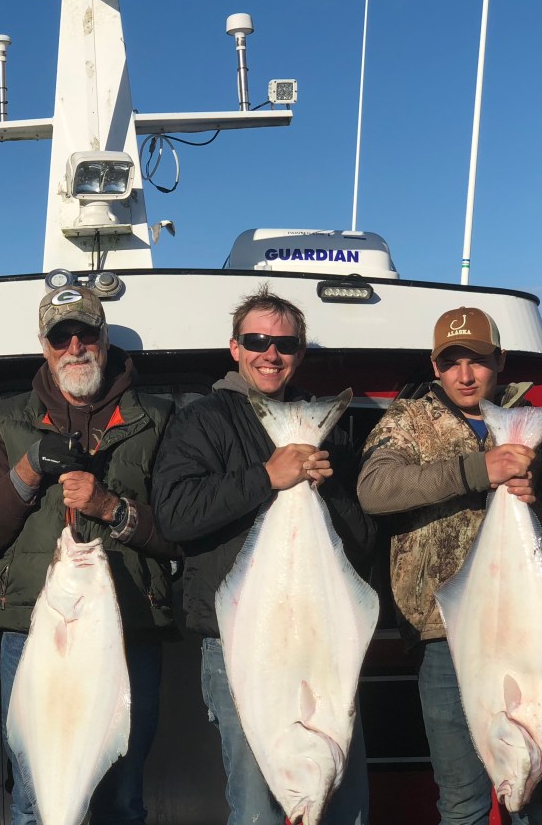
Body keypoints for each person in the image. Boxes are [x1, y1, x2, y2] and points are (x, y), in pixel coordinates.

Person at [151, 286, 374, 825]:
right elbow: (175, 514)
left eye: (285, 344)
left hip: (321, 647)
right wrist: (265, 478)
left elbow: (362, 541)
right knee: (257, 807)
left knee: (345, 805)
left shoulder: (317, 427)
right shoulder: (202, 421)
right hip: (243, 645)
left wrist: (325, 489)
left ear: (299, 353)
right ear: (234, 348)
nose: (270, 354)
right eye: (257, 341)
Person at [357, 306, 542, 825]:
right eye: (451, 361)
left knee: (539, 795)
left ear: (498, 362)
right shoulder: (407, 421)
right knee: (461, 800)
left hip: (535, 634)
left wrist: (535, 509)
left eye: (477, 361)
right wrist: (479, 470)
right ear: (435, 366)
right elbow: (375, 490)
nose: (465, 374)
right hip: (442, 637)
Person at [0, 284, 177, 825]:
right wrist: (28, 471)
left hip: (128, 630)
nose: (76, 346)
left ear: (105, 339)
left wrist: (111, 507)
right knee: (36, 798)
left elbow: (179, 530)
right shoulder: (4, 421)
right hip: (35, 634)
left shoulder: (158, 418)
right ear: (44, 345)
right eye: (62, 336)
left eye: (87, 334)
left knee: (122, 797)